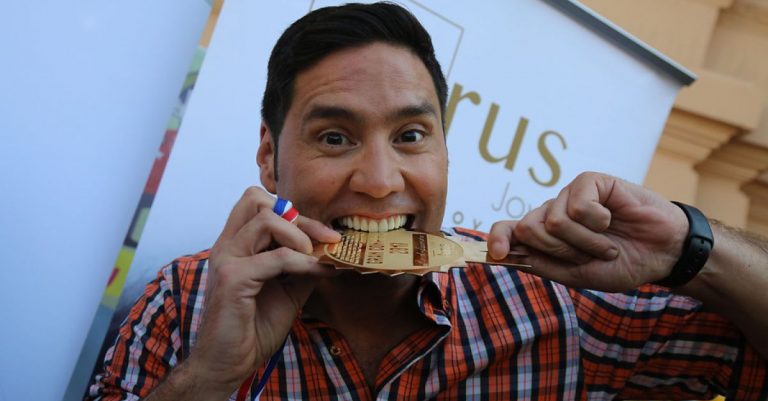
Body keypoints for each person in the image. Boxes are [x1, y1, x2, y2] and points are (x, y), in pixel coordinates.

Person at [87, 3, 768, 400]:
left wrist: (691, 250)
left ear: (444, 149)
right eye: (334, 137)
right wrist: (210, 377)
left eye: (411, 135)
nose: (381, 181)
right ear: (269, 155)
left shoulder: (560, 304)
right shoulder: (184, 304)